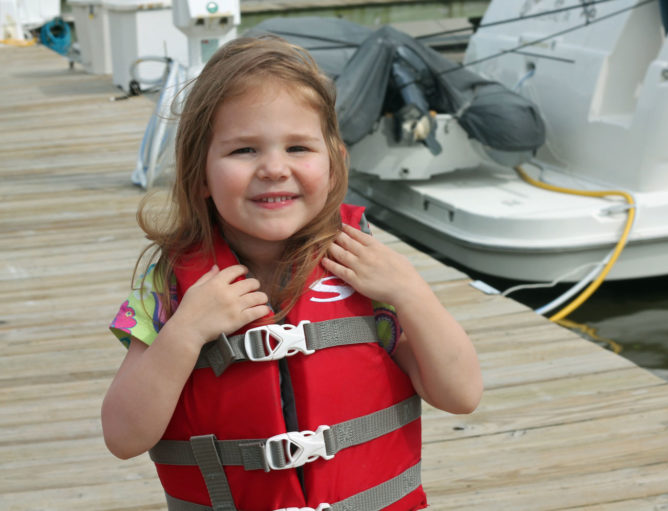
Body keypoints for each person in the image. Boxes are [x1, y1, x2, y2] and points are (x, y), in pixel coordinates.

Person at [101, 35, 483, 511]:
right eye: (244, 151)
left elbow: (462, 394)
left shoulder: (367, 270)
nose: (274, 168)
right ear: (199, 174)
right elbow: (122, 436)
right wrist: (185, 333)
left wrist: (412, 293)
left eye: (299, 147)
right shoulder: (171, 291)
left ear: (334, 162)